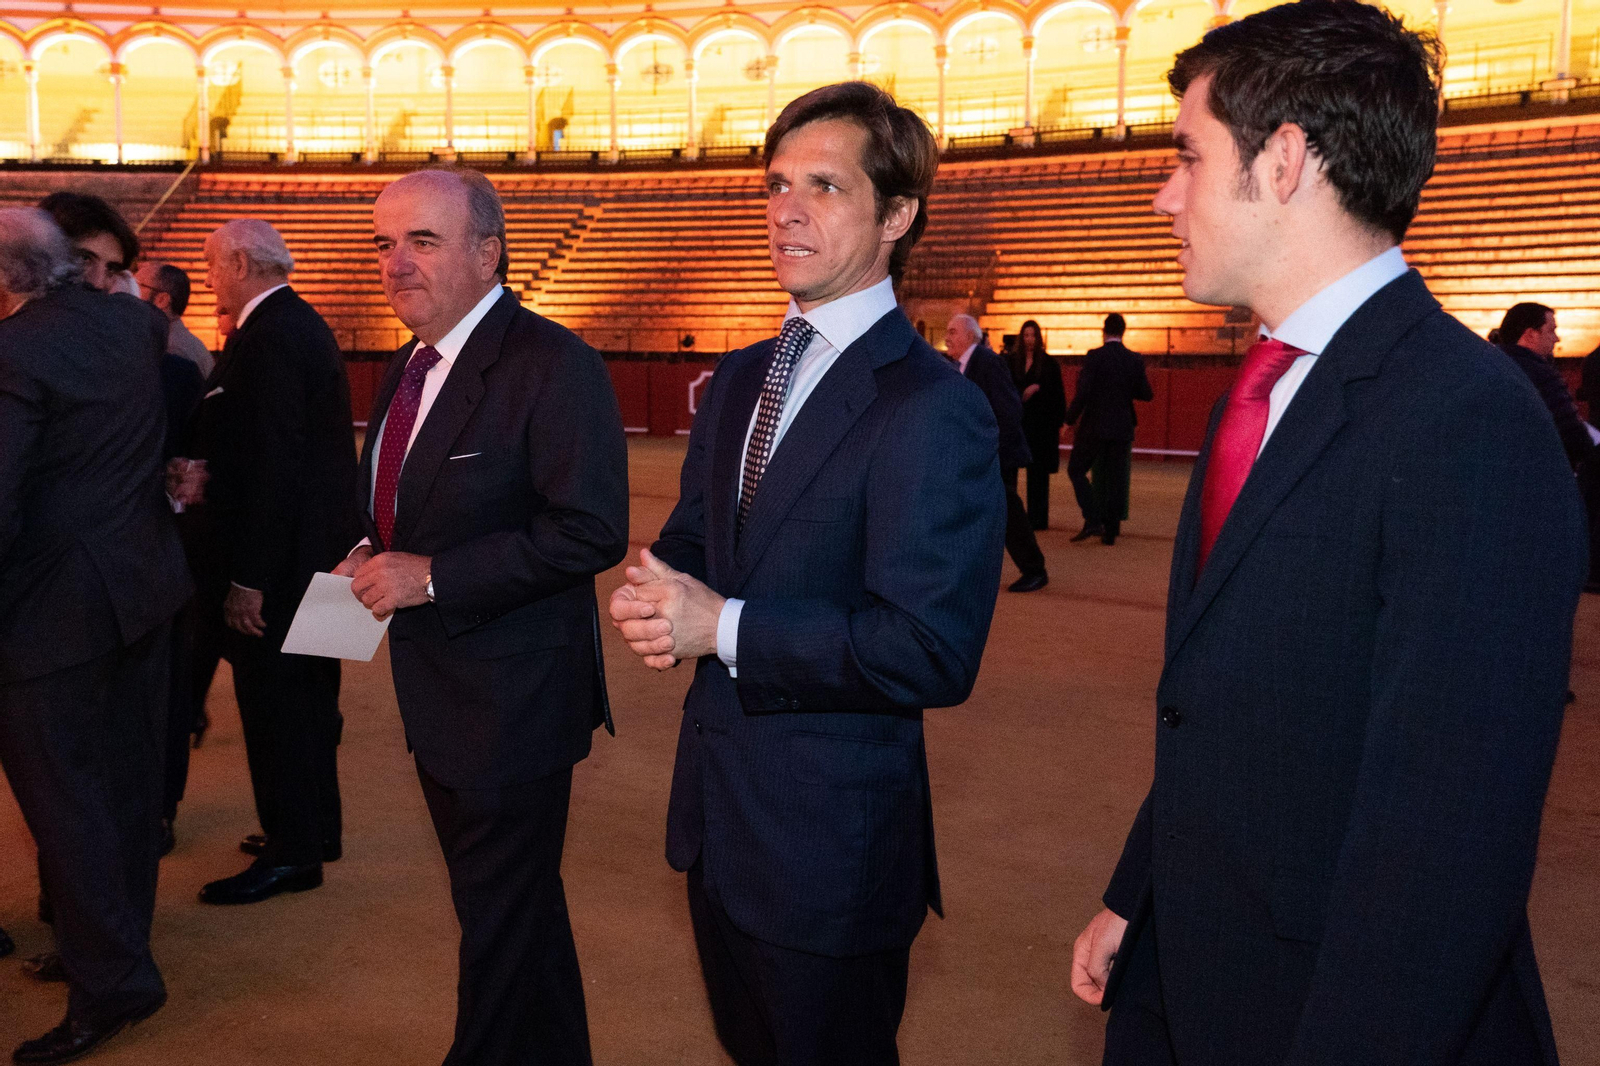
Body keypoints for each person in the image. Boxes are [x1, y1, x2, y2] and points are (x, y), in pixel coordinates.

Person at [1069, 6, 1586, 1066]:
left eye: (1187, 157)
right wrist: (1139, 892)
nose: (1164, 194)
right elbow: (1226, 706)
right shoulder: (1260, 390)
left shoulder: (1467, 419)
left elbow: (1445, 841)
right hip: (1192, 969)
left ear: (1287, 161)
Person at [609, 82, 1006, 1066]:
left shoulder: (930, 406)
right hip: (717, 824)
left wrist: (722, 628)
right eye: (777, 183)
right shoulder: (745, 373)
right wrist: (659, 588)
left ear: (897, 213)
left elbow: (928, 650)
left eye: (823, 186)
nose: (785, 208)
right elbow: (701, 538)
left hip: (829, 852)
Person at [336, 166, 628, 1066]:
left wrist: (435, 577)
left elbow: (590, 529)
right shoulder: (409, 362)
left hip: (516, 700)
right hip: (441, 695)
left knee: (499, 921)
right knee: (514, 909)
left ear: (486, 252)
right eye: (384, 243)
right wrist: (365, 545)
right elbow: (398, 503)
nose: (395, 263)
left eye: (421, 241)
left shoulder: (552, 363)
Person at [0, 208, 191, 1064]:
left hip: (51, 615)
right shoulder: (135, 324)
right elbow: (194, 379)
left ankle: (114, 981)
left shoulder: (16, 350)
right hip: (144, 595)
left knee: (67, 808)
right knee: (122, 795)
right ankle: (112, 953)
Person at [179, 219, 360, 904]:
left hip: (282, 568)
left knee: (280, 705)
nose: (208, 277)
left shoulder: (271, 335)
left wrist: (247, 578)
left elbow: (274, 468)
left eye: (210, 263)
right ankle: (315, 831)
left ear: (240, 262)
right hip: (322, 556)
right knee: (313, 701)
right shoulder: (294, 326)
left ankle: (294, 851)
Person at [947, 313, 1049, 591]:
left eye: (952, 331)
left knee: (1007, 513)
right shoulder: (960, 366)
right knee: (975, 514)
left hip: (994, 455)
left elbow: (1008, 409)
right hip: (975, 456)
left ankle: (1034, 569)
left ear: (970, 335)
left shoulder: (988, 363)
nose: (946, 337)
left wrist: (989, 450)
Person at [1064, 313, 1152, 546]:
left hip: (1094, 425)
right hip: (1121, 426)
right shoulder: (1134, 359)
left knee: (1076, 470)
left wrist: (1069, 419)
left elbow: (1083, 393)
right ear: (1123, 332)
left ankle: (1093, 518)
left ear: (1104, 331)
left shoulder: (1095, 357)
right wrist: (1123, 388)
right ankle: (1110, 533)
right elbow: (1146, 394)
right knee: (1115, 479)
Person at [1494, 302, 1594, 470]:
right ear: (1531, 334)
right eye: (1551, 330)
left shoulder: (1493, 369)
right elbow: (1571, 434)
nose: (1557, 338)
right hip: (1544, 471)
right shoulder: (1542, 376)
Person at [1010, 319, 1067, 529]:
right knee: (1011, 474)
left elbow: (1058, 395)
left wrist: (1038, 389)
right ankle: (1013, 518)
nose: (1029, 340)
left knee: (1039, 475)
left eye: (1032, 335)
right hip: (1019, 423)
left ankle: (1038, 519)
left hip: (1040, 426)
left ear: (1038, 337)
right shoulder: (1012, 361)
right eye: (1026, 335)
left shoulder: (1049, 364)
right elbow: (1006, 390)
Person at [137, 260, 216, 380]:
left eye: (137, 285)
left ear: (162, 300)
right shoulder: (180, 341)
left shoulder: (172, 350)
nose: (130, 292)